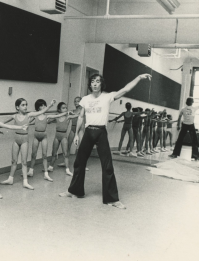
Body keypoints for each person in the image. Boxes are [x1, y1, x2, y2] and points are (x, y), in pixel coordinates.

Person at [59, 73, 152, 209]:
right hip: (88, 131)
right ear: (90, 84)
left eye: (98, 81)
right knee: (79, 163)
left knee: (107, 166)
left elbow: (125, 89)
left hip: (101, 132)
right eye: (93, 81)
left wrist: (138, 78)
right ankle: (74, 191)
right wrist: (78, 134)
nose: (95, 84)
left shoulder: (108, 97)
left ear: (101, 84)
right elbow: (80, 117)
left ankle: (112, 199)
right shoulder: (85, 99)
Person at [0, 98, 56, 190]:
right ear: (17, 107)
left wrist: (50, 105)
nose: (25, 106)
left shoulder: (29, 115)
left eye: (26, 104)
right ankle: (10, 179)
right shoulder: (14, 116)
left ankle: (25, 182)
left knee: (24, 162)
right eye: (23, 105)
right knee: (14, 161)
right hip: (16, 140)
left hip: (24, 141)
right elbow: (2, 123)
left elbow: (40, 112)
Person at [28, 99, 69, 181]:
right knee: (33, 154)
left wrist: (67, 112)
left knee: (44, 155)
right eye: (42, 105)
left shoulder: (47, 116)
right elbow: (29, 122)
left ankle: (46, 173)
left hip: (44, 136)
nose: (44, 107)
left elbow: (57, 116)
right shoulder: (35, 115)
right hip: (36, 135)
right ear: (39, 107)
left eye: (44, 105)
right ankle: (30, 171)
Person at [47, 102, 75, 176]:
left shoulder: (68, 117)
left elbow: (77, 115)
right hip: (57, 136)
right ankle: (50, 167)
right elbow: (48, 121)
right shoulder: (57, 116)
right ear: (59, 109)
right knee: (53, 152)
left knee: (65, 153)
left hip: (63, 136)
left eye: (66, 108)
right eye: (63, 108)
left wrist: (72, 113)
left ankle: (67, 169)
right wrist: (55, 115)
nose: (65, 109)